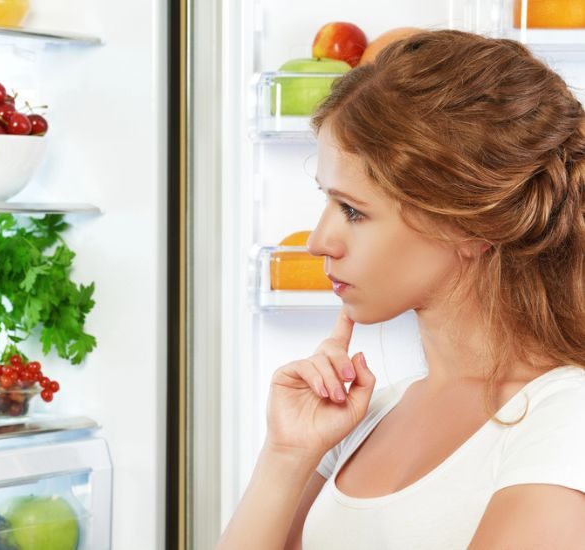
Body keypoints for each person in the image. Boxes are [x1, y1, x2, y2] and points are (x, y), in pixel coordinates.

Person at [217, 30, 584, 549]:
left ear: (470, 226)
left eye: (353, 211)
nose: (320, 242)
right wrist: (286, 455)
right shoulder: (363, 418)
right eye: (328, 201)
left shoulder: (566, 417)